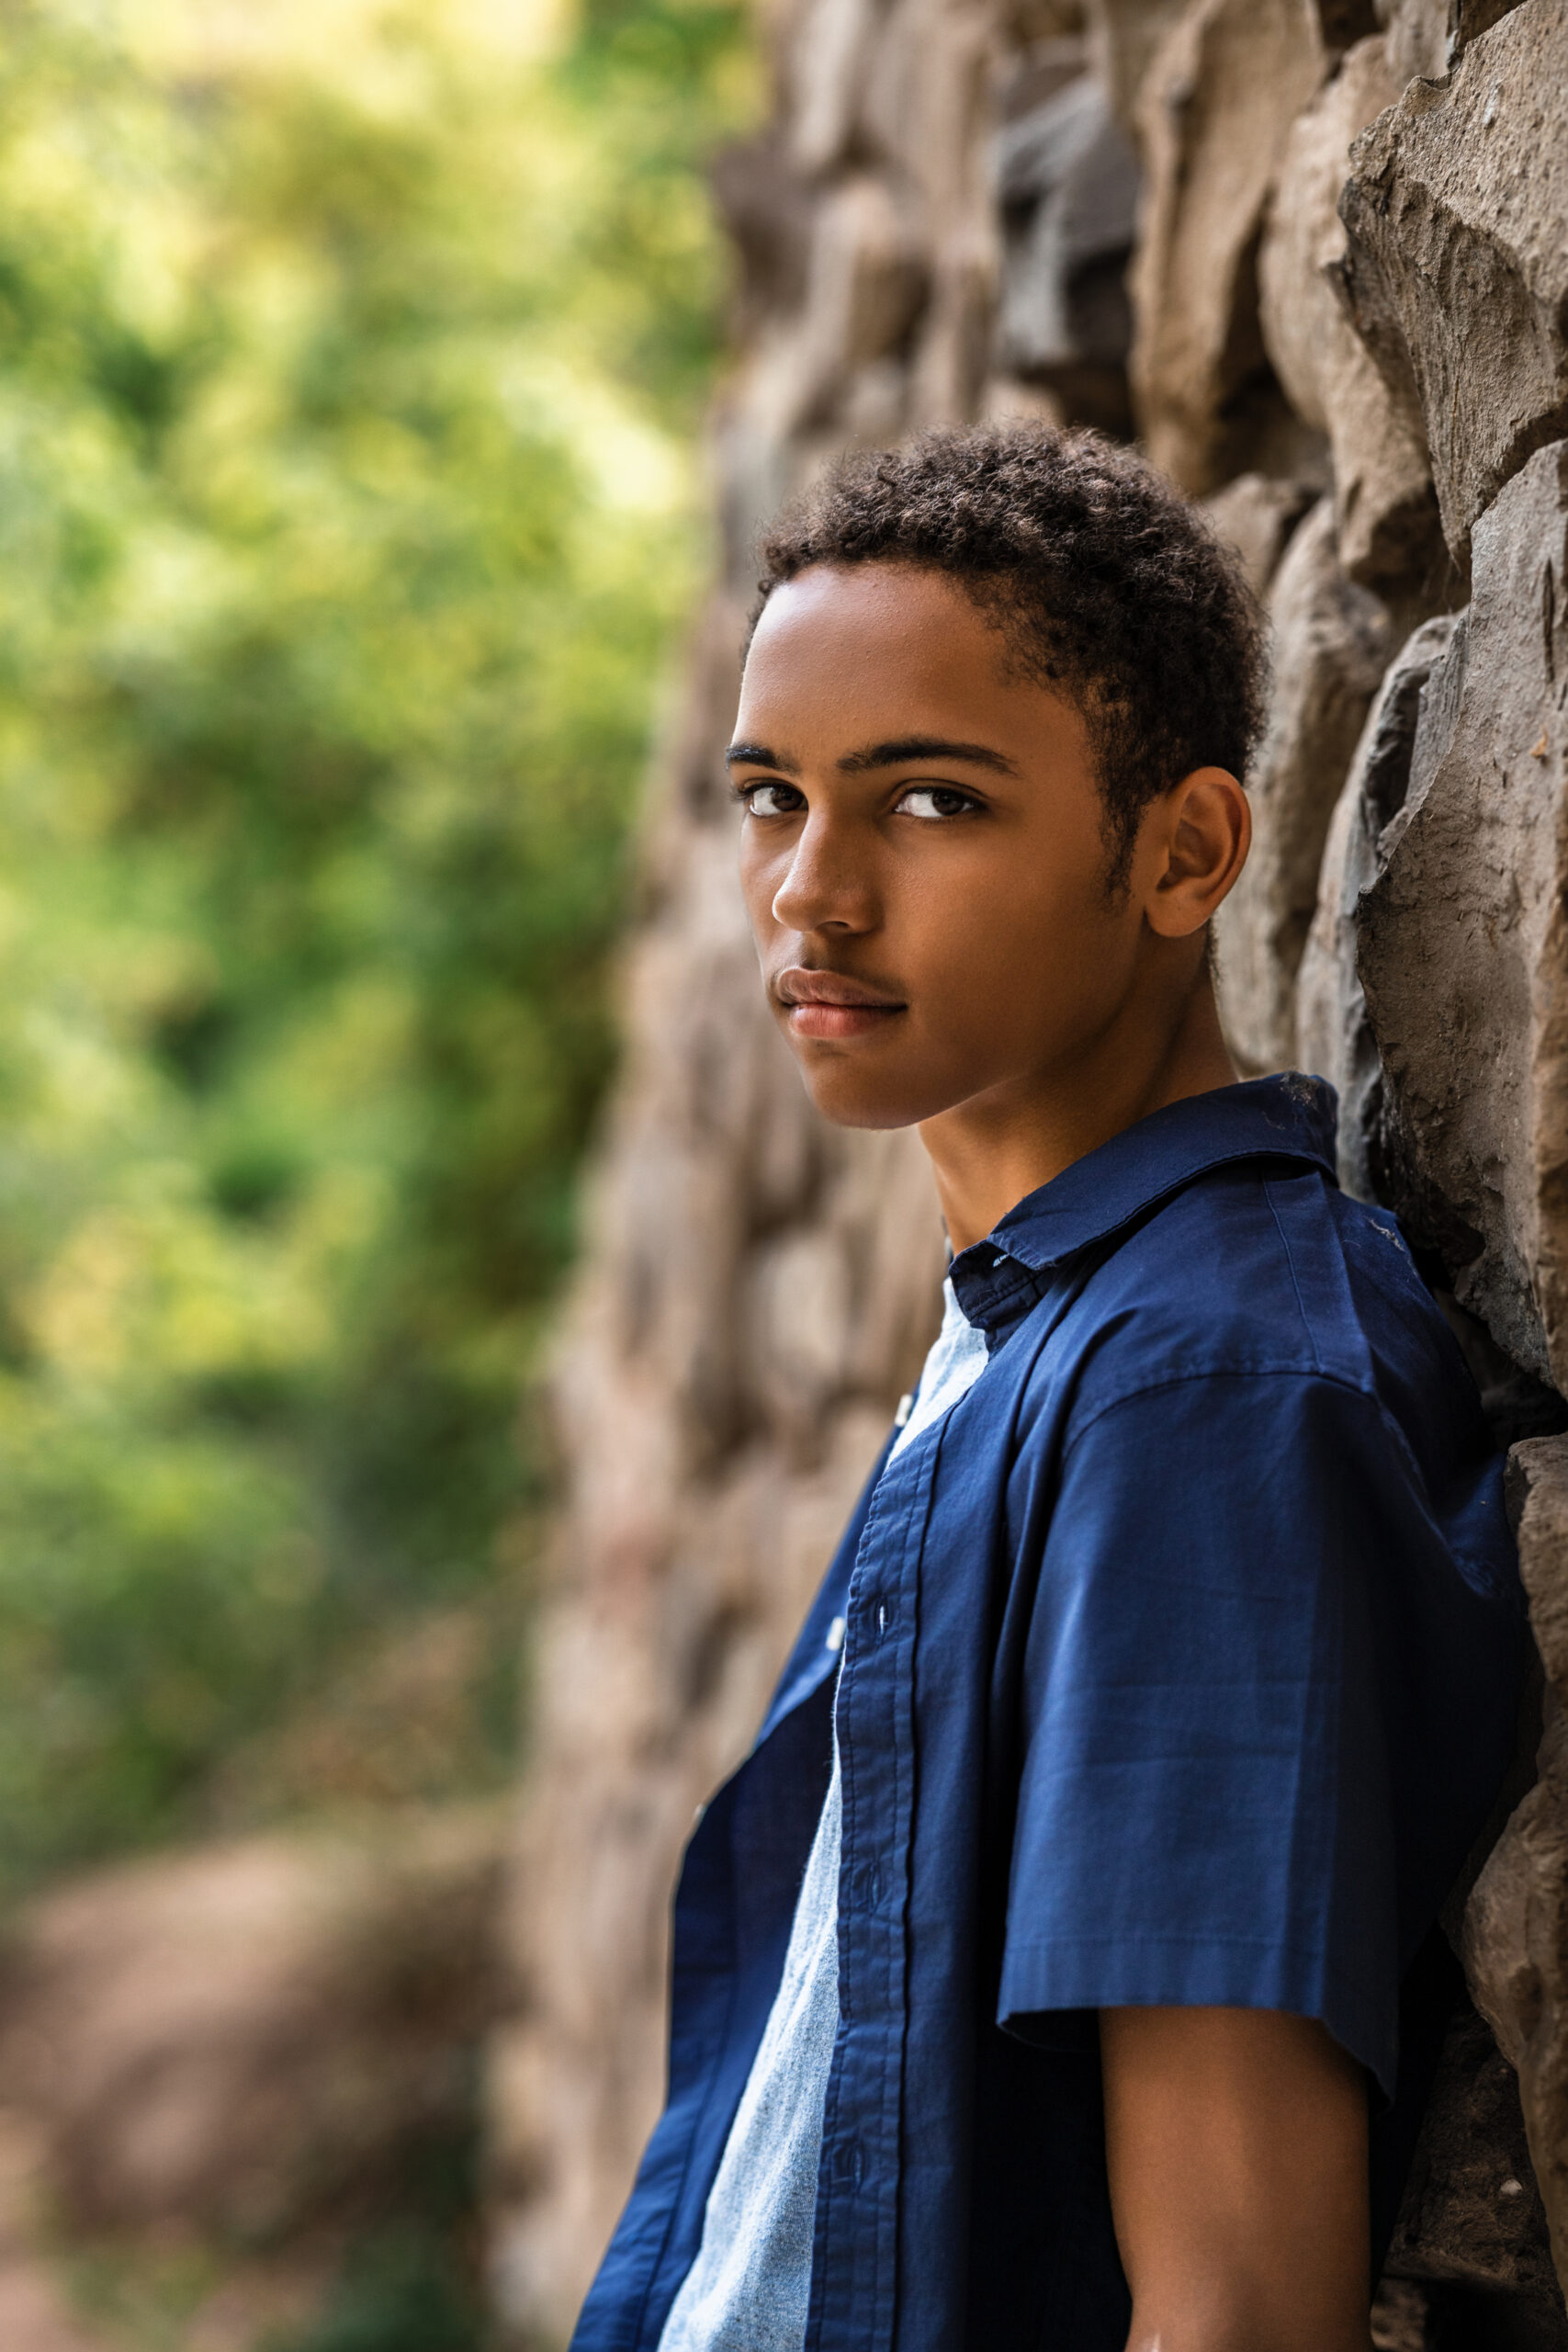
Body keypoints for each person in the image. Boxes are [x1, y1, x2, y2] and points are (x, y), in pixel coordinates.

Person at [570, 424, 1526, 2352]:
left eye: (927, 803)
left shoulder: (1197, 1385)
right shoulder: (1037, 1333)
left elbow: (1235, 2295)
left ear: (1180, 851)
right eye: (772, 797)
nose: (809, 897)